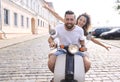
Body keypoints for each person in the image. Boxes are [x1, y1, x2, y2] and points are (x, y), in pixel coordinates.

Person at [48, 10, 87, 82]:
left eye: (71, 19)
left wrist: (83, 46)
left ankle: (78, 76)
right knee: (51, 62)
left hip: (76, 49)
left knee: (88, 64)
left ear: (75, 20)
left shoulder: (80, 30)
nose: (69, 21)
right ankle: (57, 76)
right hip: (62, 49)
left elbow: (82, 40)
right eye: (67, 19)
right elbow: (50, 38)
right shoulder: (58, 27)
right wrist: (52, 42)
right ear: (64, 19)